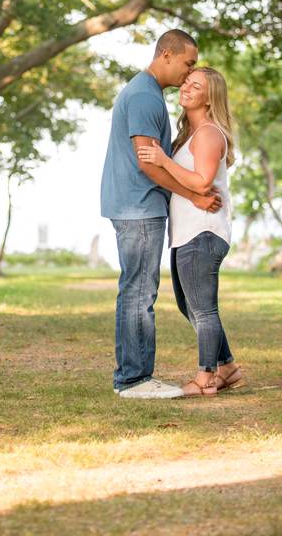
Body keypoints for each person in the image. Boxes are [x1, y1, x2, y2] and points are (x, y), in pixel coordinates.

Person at [101, 30, 222, 399]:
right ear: (166, 54)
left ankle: (134, 377)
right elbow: (148, 163)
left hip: (139, 205)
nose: (189, 74)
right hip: (138, 206)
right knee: (139, 292)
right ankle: (135, 379)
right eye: (187, 64)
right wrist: (193, 197)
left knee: (139, 290)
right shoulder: (143, 96)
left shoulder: (148, 93)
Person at [137, 67, 243, 397]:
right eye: (186, 81)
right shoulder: (192, 134)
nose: (185, 87)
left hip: (204, 232)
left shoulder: (210, 133)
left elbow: (202, 182)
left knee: (203, 309)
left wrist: (162, 160)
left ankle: (206, 378)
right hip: (188, 233)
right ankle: (227, 368)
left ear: (210, 97)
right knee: (190, 305)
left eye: (195, 85)